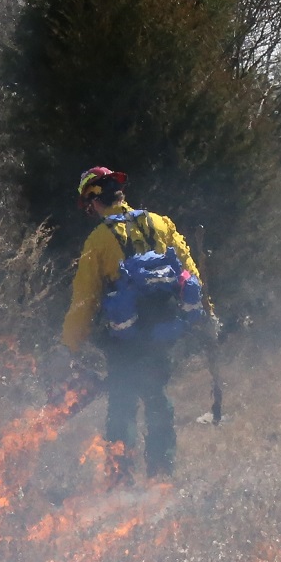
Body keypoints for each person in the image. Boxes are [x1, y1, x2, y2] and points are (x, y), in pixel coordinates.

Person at [61, 166, 205, 480]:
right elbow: (189, 270)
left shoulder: (98, 240)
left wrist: (69, 346)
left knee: (123, 402)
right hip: (164, 328)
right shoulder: (159, 222)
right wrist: (207, 315)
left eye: (89, 204)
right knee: (157, 397)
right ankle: (161, 474)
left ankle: (120, 477)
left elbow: (84, 300)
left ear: (95, 200)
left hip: (126, 335)